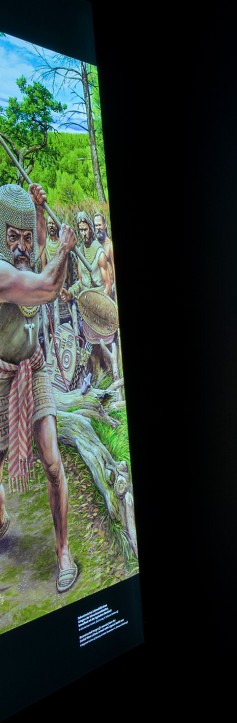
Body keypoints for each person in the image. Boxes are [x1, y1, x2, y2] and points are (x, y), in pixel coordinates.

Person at [0, 181, 79, 592]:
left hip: (34, 369)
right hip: (0, 379)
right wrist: (66, 249)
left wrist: (41, 223)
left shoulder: (24, 255)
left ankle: (64, 551)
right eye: (12, 236)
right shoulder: (0, 272)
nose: (21, 245)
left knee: (52, 462)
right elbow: (45, 288)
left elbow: (37, 263)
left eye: (25, 236)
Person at [60, 211, 117, 381]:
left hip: (101, 308)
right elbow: (80, 283)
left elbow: (107, 284)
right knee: (92, 347)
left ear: (91, 230)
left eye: (85, 229)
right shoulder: (80, 254)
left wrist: (99, 305)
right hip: (87, 310)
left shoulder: (99, 253)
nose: (83, 233)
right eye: (80, 230)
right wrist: (70, 292)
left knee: (106, 346)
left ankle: (112, 376)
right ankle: (96, 376)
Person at [93, 211, 115, 299]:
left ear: (104, 225)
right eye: (96, 225)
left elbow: (114, 267)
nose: (98, 228)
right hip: (98, 288)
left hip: (110, 289)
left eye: (99, 225)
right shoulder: (94, 245)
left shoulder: (110, 245)